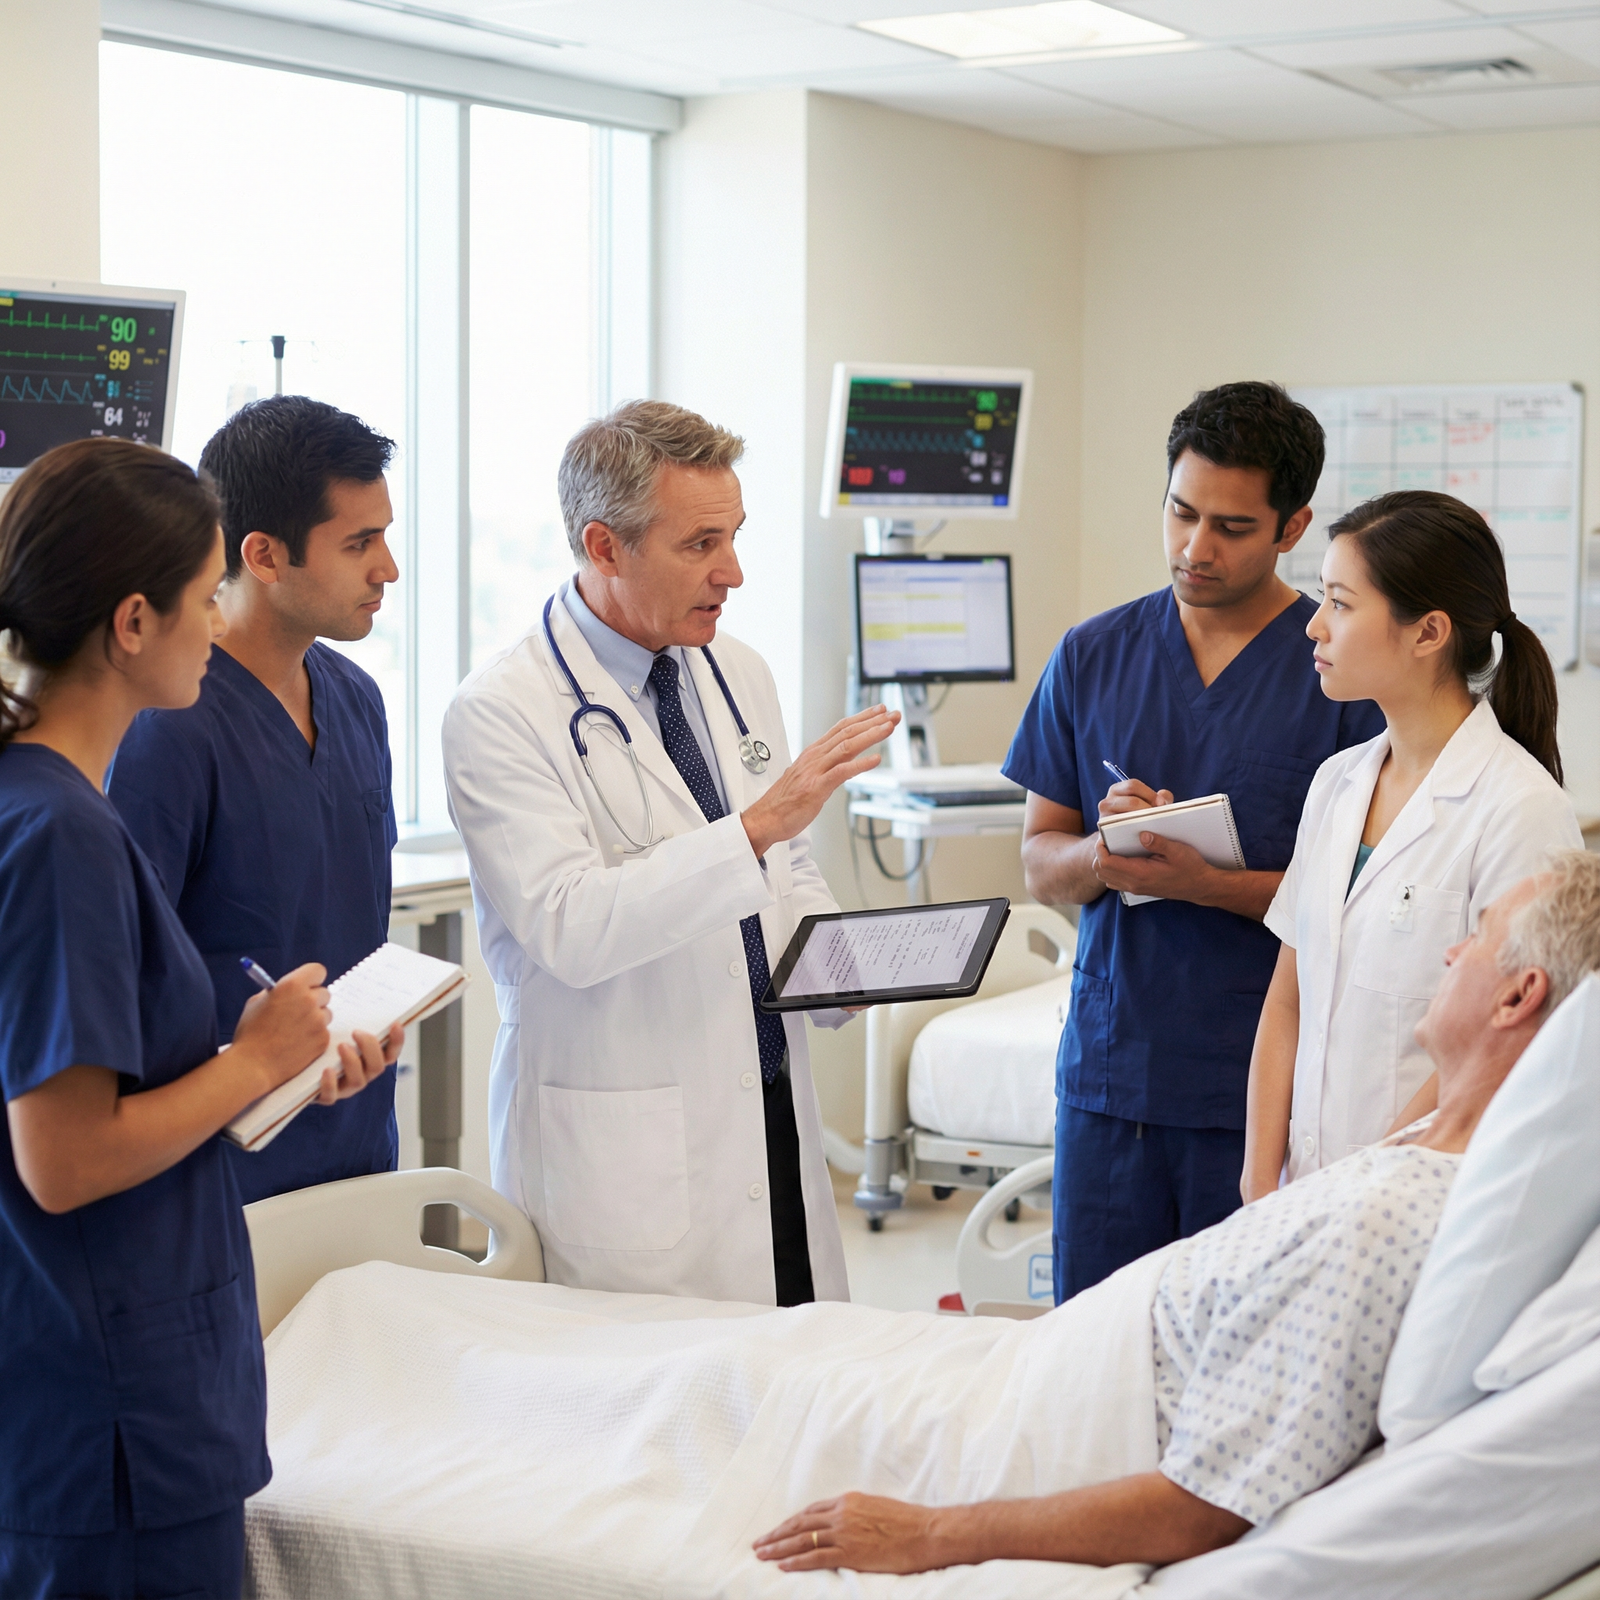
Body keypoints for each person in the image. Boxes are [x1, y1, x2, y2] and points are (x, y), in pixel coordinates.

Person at [752, 850, 1600, 1574]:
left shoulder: (1388, 1220)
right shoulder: (1426, 1140)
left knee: (746, 1399)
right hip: (1037, 1371)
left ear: (1517, 997)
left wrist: (931, 1534)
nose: (1451, 951)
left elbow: (1203, 1507)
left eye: (1477, 936)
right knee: (775, 1370)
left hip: (1044, 1426)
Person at [0, 439, 392, 1599]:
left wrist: (266, 1068)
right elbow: (63, 1159)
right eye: (206, 591)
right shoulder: (62, 835)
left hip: (123, 1371)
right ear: (134, 621)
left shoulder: (49, 806)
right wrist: (256, 1055)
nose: (221, 620)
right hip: (114, 1406)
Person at [443, 400, 897, 1305]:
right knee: (649, 1421)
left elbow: (787, 872)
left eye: (733, 536)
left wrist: (842, 967)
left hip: (767, 1098)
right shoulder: (499, 712)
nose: (732, 572)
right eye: (699, 545)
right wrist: (759, 827)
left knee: (793, 1383)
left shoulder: (741, 672)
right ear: (604, 546)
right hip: (629, 1139)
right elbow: (570, 927)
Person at [1003, 381, 1384, 1302]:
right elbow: (1039, 861)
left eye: (1231, 527)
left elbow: (1366, 899)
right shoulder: (1093, 655)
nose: (1194, 548)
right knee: (1093, 1364)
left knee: (1236, 1368)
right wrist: (1107, 856)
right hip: (1111, 1079)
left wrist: (1203, 882)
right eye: (1181, 513)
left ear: (1292, 528)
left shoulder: (1338, 672)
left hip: (1262, 1094)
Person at [1241, 490, 1581, 1199]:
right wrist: (1258, 1180)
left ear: (1428, 633)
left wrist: (1369, 1189)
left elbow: (1505, 1046)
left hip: (1419, 1199)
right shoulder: (1338, 783)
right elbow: (1287, 1001)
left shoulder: (1518, 809)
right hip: (1302, 1193)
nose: (1314, 627)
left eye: (1339, 602)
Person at [108, 397, 405, 1204]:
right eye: (359, 543)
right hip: (225, 1166)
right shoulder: (165, 725)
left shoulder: (356, 700)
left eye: (384, 535)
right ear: (265, 555)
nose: (388, 567)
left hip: (357, 1135)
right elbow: (123, 982)